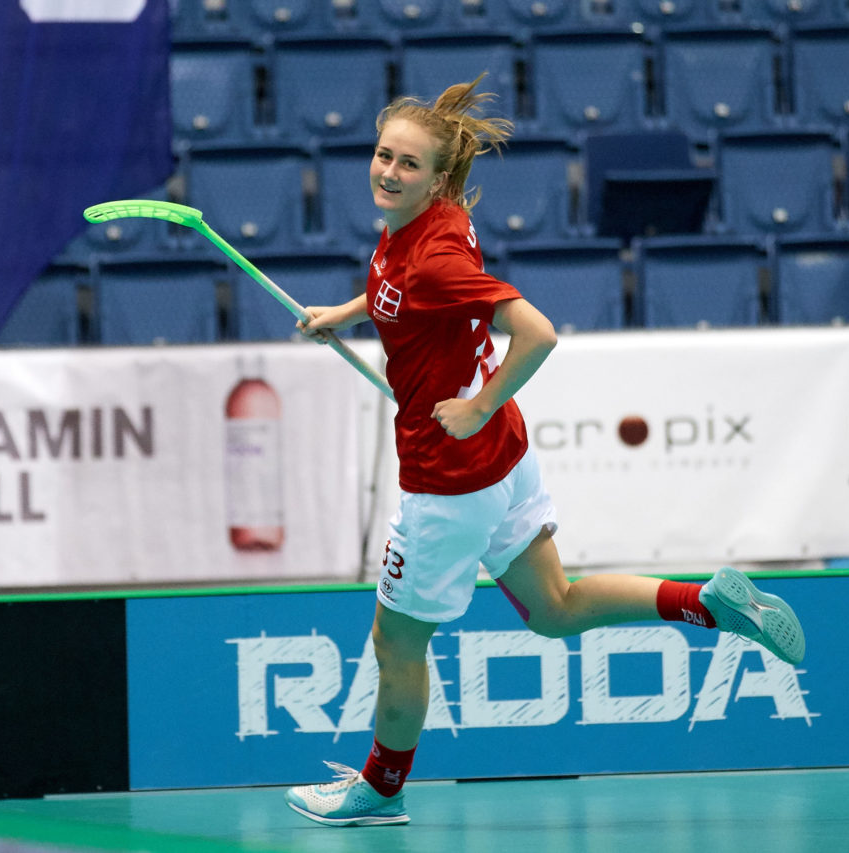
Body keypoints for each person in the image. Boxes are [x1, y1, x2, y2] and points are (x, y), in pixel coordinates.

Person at [284, 76, 806, 828]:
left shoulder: (437, 257)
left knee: (396, 640)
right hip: (501, 461)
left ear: (438, 178)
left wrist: (478, 402)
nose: (387, 171)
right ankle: (707, 604)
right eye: (382, 155)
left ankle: (381, 788)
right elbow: (402, 290)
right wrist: (348, 311)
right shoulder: (429, 226)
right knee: (554, 609)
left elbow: (538, 332)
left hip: (450, 477)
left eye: (406, 164)